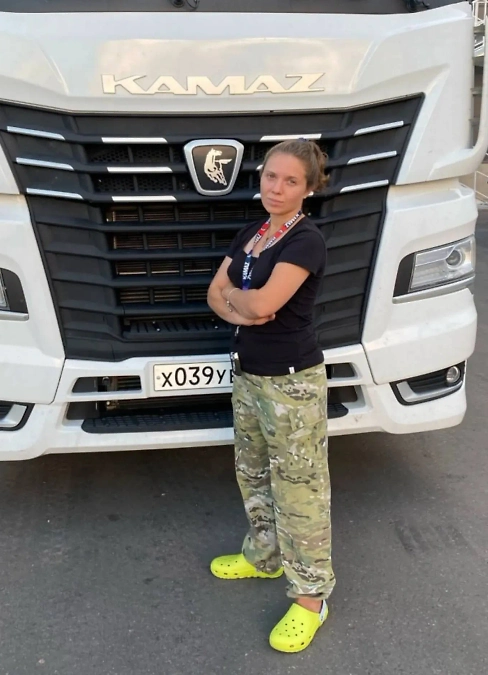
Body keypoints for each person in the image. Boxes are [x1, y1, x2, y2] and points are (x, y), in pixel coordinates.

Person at [205, 139, 332, 653]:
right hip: (249, 375)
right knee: (252, 470)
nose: (276, 188)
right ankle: (264, 556)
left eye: (290, 181)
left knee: (299, 490)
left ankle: (311, 600)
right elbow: (220, 295)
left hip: (291, 381)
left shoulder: (305, 241)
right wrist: (241, 303)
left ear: (309, 188)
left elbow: (265, 303)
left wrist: (240, 300)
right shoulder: (254, 232)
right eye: (270, 177)